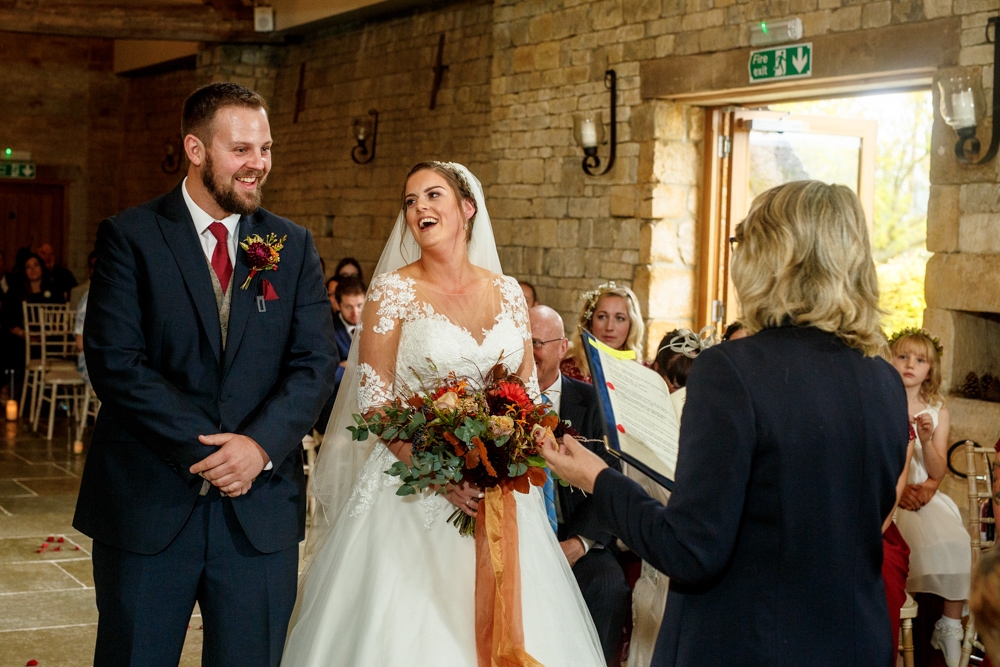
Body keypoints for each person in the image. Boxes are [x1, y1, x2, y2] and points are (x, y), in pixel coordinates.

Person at [535, 180, 910, 666]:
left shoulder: (733, 370)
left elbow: (690, 549)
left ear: (770, 255)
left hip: (746, 642)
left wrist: (597, 478)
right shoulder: (883, 380)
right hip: (853, 643)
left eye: (741, 241)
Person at [282, 162, 604, 666]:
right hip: (411, 495)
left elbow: (522, 393)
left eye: (433, 195)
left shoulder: (509, 295)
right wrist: (438, 473)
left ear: (467, 208)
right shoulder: (393, 293)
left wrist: (508, 451)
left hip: (498, 494)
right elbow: (375, 401)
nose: (419, 209)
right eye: (410, 201)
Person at [74, 82, 338, 667]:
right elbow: (117, 362)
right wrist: (216, 453)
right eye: (241, 150)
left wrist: (258, 448)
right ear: (195, 150)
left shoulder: (287, 244)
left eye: (265, 149)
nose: (259, 165)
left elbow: (315, 362)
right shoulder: (132, 236)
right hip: (148, 503)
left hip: (259, 511)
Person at [529, 304, 629, 664]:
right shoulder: (498, 402)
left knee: (607, 585)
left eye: (538, 342)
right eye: (523, 341)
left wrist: (579, 543)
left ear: (562, 349)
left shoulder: (594, 403)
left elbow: (611, 477)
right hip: (515, 538)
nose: (530, 351)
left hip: (578, 539)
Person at [889, 327, 968, 667]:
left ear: (930, 369)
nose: (910, 364)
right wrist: (899, 489)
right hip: (892, 494)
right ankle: (896, 625)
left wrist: (925, 439)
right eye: (902, 356)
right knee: (912, 545)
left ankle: (949, 626)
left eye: (919, 360)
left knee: (955, 540)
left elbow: (937, 469)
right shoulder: (882, 399)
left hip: (924, 494)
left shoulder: (938, 409)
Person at [561, 282, 645, 383]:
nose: (609, 327)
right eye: (602, 317)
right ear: (590, 322)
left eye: (619, 318)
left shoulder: (646, 375)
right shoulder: (567, 371)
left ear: (632, 325)